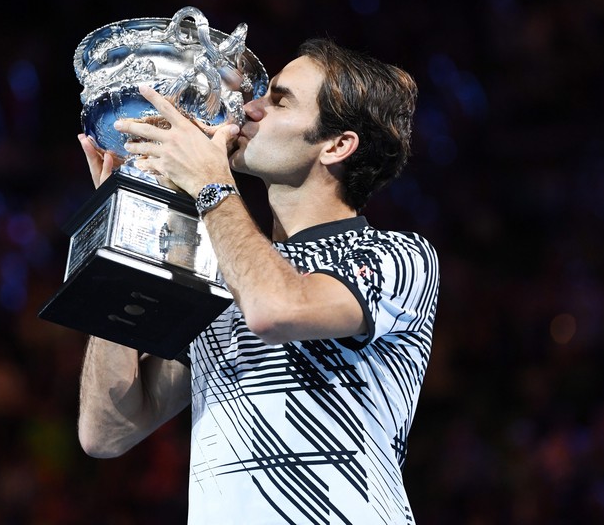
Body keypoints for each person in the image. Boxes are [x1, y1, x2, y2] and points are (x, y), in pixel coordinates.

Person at [76, 38, 439, 524]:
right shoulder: (225, 274)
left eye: (279, 100)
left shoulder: (397, 256)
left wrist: (211, 183)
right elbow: (106, 432)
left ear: (336, 145)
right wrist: (126, 222)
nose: (249, 107)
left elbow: (274, 310)